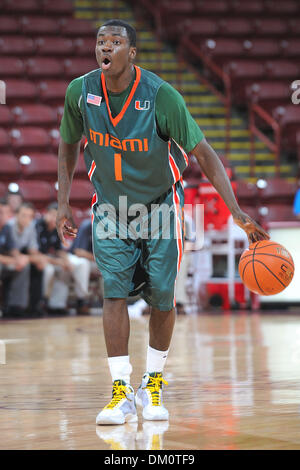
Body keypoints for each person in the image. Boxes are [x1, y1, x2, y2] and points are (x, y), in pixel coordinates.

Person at [56, 19, 269, 425]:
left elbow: (204, 153)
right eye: (101, 41)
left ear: (131, 53)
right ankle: (120, 390)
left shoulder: (161, 96)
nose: (106, 48)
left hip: (160, 206)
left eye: (115, 42)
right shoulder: (80, 92)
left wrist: (238, 212)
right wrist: (62, 200)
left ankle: (152, 383)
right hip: (110, 209)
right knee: (113, 294)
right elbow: (68, 144)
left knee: (162, 298)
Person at [0, 199, 30, 318]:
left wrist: (19, 258)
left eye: (6, 213)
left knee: (24, 265)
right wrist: (13, 260)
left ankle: (16, 306)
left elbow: (12, 249)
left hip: (5, 262)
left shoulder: (6, 228)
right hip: (2, 262)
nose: (4, 216)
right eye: (1, 213)